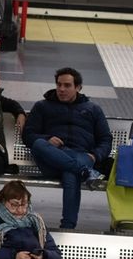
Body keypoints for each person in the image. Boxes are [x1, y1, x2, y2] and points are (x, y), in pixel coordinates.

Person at [22, 67, 113, 229]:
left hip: (83, 155)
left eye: (67, 85)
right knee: (39, 144)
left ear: (78, 87)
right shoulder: (42, 107)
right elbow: (28, 136)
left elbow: (105, 139)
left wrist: (95, 156)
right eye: (59, 85)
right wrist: (47, 139)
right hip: (52, 159)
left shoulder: (93, 109)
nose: (61, 89)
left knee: (70, 173)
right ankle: (84, 171)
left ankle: (68, 226)